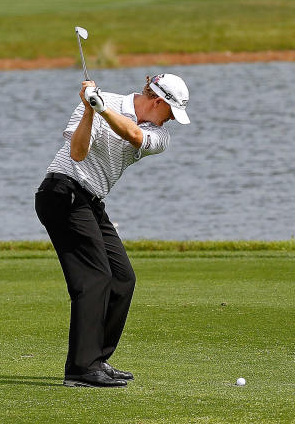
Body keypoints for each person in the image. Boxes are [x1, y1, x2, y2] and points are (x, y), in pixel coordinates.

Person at [35, 73, 191, 388]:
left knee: (122, 279)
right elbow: (77, 153)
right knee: (94, 278)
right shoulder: (94, 102)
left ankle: (97, 360)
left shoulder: (157, 136)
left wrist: (101, 108)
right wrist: (91, 109)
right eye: (170, 113)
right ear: (157, 101)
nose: (170, 121)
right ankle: (81, 368)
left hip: (90, 201)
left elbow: (133, 134)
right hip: (61, 192)